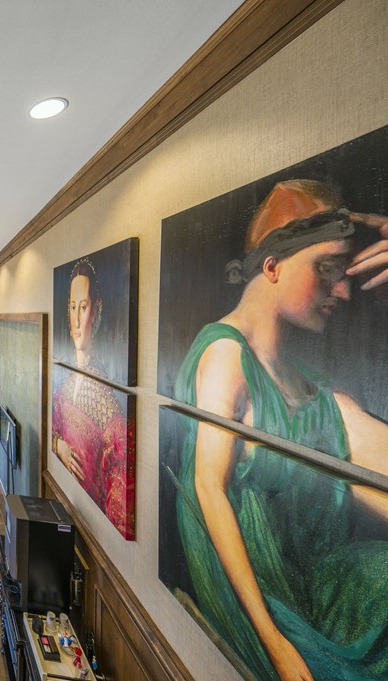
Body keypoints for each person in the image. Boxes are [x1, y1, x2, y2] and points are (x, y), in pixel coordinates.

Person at [173, 180, 388, 681]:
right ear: (272, 267)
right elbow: (210, 490)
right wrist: (276, 645)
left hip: (316, 590)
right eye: (327, 269)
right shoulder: (225, 354)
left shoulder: (320, 396)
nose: (343, 289)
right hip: (267, 607)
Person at [51, 258, 134, 539]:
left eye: (83, 307)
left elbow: (119, 495)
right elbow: (53, 427)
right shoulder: (64, 381)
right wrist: (57, 445)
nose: (76, 320)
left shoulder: (109, 403)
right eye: (72, 308)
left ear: (96, 311)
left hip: (89, 523)